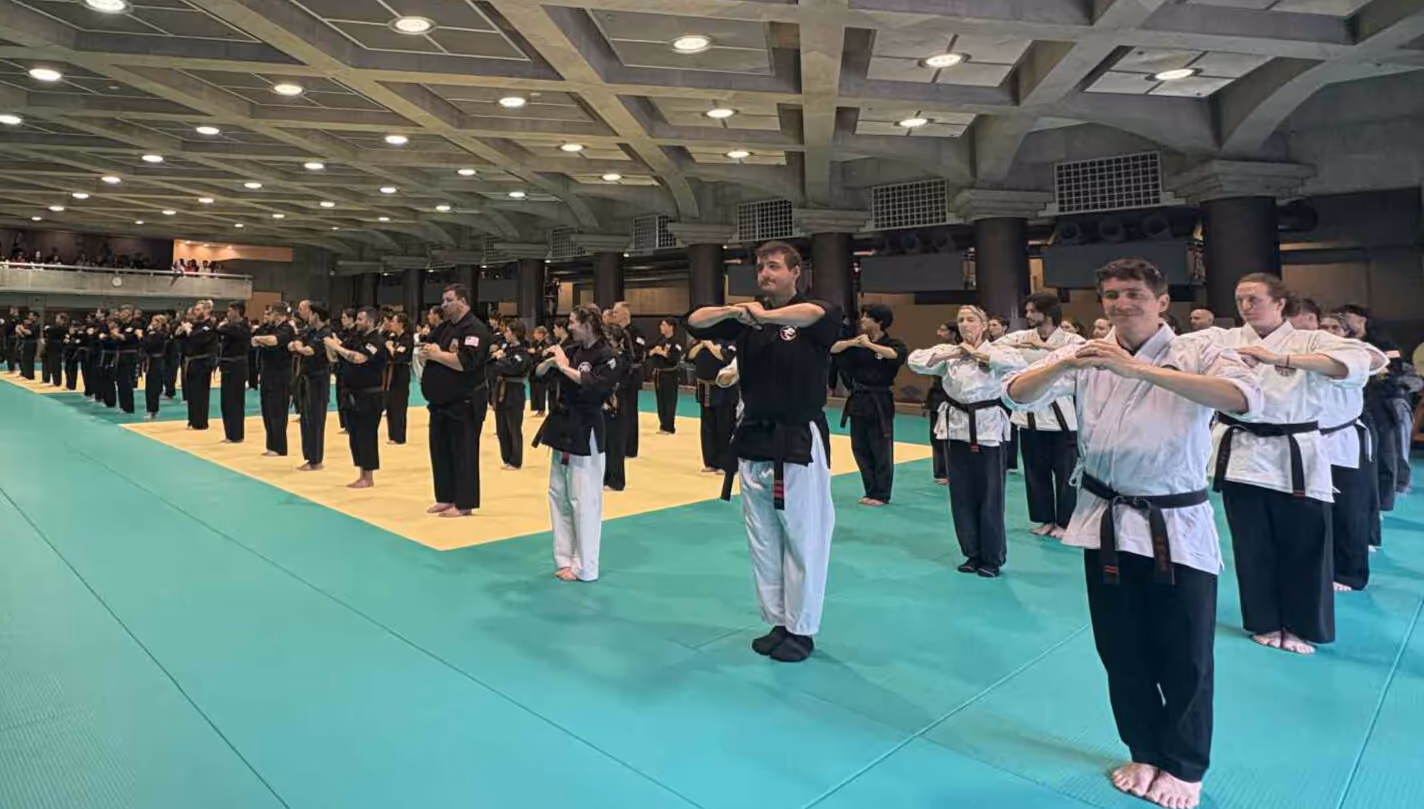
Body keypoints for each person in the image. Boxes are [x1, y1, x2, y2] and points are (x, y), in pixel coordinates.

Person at [1004, 257, 1260, 809]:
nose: (1122, 304)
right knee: (1121, 648)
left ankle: (1186, 766)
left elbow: (1242, 398)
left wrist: (1137, 371)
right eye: (1112, 295)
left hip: (1176, 523)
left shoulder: (1200, 347)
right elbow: (1018, 394)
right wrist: (1065, 362)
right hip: (1106, 520)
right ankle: (1144, 749)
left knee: (1186, 652)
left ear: (1162, 300)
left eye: (1134, 294)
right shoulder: (1088, 354)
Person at [1191, 274, 1372, 656]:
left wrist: (1281, 359)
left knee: (1304, 545)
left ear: (1279, 303)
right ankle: (1264, 621)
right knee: (1252, 545)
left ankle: (1304, 625)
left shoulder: (1310, 339)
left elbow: (1363, 360)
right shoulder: (1224, 339)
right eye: (1240, 300)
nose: (1245, 307)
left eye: (1254, 299)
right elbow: (1170, 348)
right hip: (1241, 453)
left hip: (1296, 455)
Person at [686, 240, 841, 664]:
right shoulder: (747, 319)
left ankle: (802, 629)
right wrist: (735, 312)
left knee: (804, 537)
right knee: (763, 539)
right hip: (753, 437)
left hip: (796, 439)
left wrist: (763, 315)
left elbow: (814, 316)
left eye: (773, 267)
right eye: (759, 268)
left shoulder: (817, 312)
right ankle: (777, 621)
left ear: (796, 273)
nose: (764, 274)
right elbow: (695, 321)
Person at [908, 306, 1019, 577]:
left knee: (990, 495)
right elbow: (915, 361)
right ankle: (972, 553)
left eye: (971, 319)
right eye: (961, 320)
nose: (965, 324)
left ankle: (992, 557)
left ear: (983, 324)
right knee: (962, 495)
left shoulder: (999, 350)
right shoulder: (951, 355)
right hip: (955, 428)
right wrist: (954, 352)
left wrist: (980, 355)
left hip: (987, 427)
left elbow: (1018, 366)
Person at [1286, 298, 1387, 592]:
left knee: (1348, 509)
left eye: (1332, 326)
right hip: (1305, 438)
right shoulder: (1295, 348)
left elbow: (1377, 361)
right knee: (1310, 510)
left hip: (1341, 437)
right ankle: (1320, 565)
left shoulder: (1351, 350)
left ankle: (1349, 572)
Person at [532, 305, 618, 582]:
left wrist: (563, 366)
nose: (568, 327)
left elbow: (595, 386)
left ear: (587, 323)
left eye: (572, 322)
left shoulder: (608, 356)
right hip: (562, 427)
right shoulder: (571, 348)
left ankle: (586, 566)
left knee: (584, 499)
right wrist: (551, 362)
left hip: (587, 428)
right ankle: (564, 558)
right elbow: (540, 373)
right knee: (557, 494)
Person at [996, 292, 1086, 538]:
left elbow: (1078, 358)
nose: (1026, 315)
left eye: (1031, 311)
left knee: (1066, 473)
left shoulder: (1072, 339)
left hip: (1063, 419)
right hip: (1029, 418)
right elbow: (996, 347)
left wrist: (1043, 347)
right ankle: (1045, 518)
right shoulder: (1021, 337)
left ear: (1045, 313)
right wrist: (1020, 346)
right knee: (1036, 472)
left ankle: (1066, 522)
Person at [419, 284, 493, 518]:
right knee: (440, 451)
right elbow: (427, 350)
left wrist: (438, 355)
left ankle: (464, 503)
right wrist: (429, 354)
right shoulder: (443, 328)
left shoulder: (475, 329)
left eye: (448, 300)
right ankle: (445, 497)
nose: (444, 305)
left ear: (462, 301)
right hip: (441, 402)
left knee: (463, 452)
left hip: (465, 401)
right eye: (443, 300)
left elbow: (466, 363)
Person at [832, 303, 909, 506]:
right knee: (860, 447)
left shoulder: (893, 343)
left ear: (879, 322)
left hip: (880, 400)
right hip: (858, 399)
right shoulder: (857, 344)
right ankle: (869, 489)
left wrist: (870, 345)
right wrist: (852, 343)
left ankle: (882, 493)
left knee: (880, 447)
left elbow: (895, 355)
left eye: (867, 317)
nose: (862, 320)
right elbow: (833, 348)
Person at [1339, 303, 1412, 505]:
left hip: (1388, 399)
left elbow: (1394, 369)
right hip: (1357, 402)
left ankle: (1398, 485)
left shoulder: (1383, 342)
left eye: (1347, 317)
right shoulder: (1343, 344)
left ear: (1361, 320)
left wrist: (1371, 371)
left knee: (1393, 446)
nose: (1343, 320)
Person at [326, 307, 388, 489]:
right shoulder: (356, 337)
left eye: (360, 319)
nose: (357, 322)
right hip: (352, 393)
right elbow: (339, 355)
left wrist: (337, 346)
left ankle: (368, 476)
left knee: (366, 435)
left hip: (369, 395)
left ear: (369, 321)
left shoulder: (375, 341)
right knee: (355, 436)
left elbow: (359, 358)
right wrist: (332, 345)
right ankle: (361, 473)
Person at [290, 301, 333, 471]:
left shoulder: (325, 333)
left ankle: (316, 459)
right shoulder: (310, 331)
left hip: (318, 380)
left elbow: (309, 350)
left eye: (309, 313)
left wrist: (299, 347)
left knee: (315, 419)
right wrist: (299, 346)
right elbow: (294, 344)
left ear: (316, 315)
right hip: (306, 378)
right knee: (305, 419)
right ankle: (309, 456)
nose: (307, 316)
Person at [688, 332, 738, 474]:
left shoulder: (729, 340)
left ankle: (726, 463)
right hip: (704, 387)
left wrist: (709, 345)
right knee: (707, 426)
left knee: (725, 425)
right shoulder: (701, 340)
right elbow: (690, 356)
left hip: (724, 389)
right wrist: (702, 344)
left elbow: (726, 357)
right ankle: (711, 461)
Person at [251, 303, 295, 456]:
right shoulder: (269, 327)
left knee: (278, 411)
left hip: (280, 375)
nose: (267, 316)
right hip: (267, 374)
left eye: (269, 313)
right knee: (267, 410)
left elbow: (274, 340)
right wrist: (259, 335)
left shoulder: (287, 329)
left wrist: (259, 339)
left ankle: (279, 447)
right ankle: (271, 445)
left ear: (277, 314)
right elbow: (254, 337)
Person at [606, 302, 646, 458]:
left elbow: (637, 354)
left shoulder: (636, 332)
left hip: (631, 377)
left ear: (624, 314)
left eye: (615, 312)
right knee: (619, 413)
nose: (613, 315)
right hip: (618, 378)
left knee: (630, 413)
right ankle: (619, 445)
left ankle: (630, 448)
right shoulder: (616, 332)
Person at [491, 319, 532, 470]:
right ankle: (506, 457)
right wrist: (500, 360)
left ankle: (516, 460)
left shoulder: (523, 352)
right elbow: (493, 365)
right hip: (501, 388)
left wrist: (501, 360)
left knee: (513, 426)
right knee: (501, 427)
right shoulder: (506, 349)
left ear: (515, 334)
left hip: (514, 391)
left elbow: (513, 368)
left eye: (507, 331)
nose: (505, 334)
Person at [920, 321, 955, 485]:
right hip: (936, 395)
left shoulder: (958, 352)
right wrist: (926, 401)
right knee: (935, 435)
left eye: (943, 330)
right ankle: (940, 471)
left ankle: (951, 472)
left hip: (950, 397)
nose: (938, 332)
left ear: (953, 334)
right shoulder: (936, 351)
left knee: (948, 435)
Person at [601, 323, 631, 492]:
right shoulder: (607, 355)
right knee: (604, 442)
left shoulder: (622, 356)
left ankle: (616, 480)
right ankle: (605, 476)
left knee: (615, 443)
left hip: (616, 400)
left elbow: (619, 378)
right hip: (604, 398)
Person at [216, 302, 251, 442]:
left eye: (229, 311)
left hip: (237, 366)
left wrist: (221, 326)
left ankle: (236, 435)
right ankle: (229, 433)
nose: (227, 313)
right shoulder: (229, 326)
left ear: (237, 312)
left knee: (235, 401)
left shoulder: (243, 327)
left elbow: (222, 330)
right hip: (227, 366)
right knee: (226, 401)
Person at [648, 318, 684, 435]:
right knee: (660, 400)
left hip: (670, 374)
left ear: (671, 327)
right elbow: (649, 351)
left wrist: (662, 353)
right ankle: (663, 425)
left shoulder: (676, 342)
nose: (661, 327)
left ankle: (669, 426)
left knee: (669, 400)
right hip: (659, 374)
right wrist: (654, 351)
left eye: (663, 325)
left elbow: (674, 358)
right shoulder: (660, 340)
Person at [384, 313, 414, 445]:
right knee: (390, 403)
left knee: (399, 404)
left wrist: (390, 347)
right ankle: (392, 435)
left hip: (401, 372)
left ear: (401, 324)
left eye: (394, 322)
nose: (392, 324)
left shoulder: (406, 339)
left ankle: (399, 436)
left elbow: (397, 356)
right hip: (391, 372)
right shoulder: (394, 337)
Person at [112, 305, 141, 414]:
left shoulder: (134, 324)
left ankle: (128, 407)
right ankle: (123, 405)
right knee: (120, 382)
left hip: (129, 356)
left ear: (128, 313)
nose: (119, 314)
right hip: (121, 355)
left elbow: (125, 337)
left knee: (127, 382)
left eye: (121, 312)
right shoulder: (122, 325)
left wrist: (116, 334)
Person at [140, 314, 169, 419]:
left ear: (160, 323)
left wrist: (141, 336)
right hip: (151, 361)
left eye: (155, 321)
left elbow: (149, 345)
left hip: (157, 362)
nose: (152, 323)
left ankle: (152, 410)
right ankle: (151, 409)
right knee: (149, 387)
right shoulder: (152, 333)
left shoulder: (161, 334)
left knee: (153, 387)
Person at [334, 307, 357, 434]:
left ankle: (350, 424)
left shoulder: (355, 334)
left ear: (351, 319)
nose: (342, 320)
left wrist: (338, 343)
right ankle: (344, 423)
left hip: (350, 369)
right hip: (340, 368)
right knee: (340, 396)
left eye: (344, 318)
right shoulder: (343, 332)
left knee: (348, 397)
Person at [527, 324, 551, 416]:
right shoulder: (534, 343)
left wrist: (536, 352)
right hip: (533, 369)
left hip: (541, 369)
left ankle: (542, 410)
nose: (534, 335)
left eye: (536, 333)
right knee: (534, 389)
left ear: (541, 334)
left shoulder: (546, 344)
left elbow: (544, 356)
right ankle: (537, 408)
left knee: (540, 389)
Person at [42, 313, 67, 387]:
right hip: (51, 347)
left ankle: (57, 382)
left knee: (56, 365)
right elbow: (46, 331)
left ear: (62, 320)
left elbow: (49, 330)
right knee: (52, 365)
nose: (56, 319)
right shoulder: (55, 327)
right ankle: (54, 381)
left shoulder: (63, 327)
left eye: (58, 318)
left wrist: (47, 328)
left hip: (57, 348)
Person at [17, 312, 39, 380]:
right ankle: (26, 374)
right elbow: (23, 334)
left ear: (35, 317)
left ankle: (30, 376)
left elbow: (29, 332)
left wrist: (21, 329)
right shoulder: (30, 324)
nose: (29, 316)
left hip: (31, 342)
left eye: (31, 315)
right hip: (26, 342)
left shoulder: (36, 324)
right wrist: (20, 330)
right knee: (25, 359)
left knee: (30, 359)